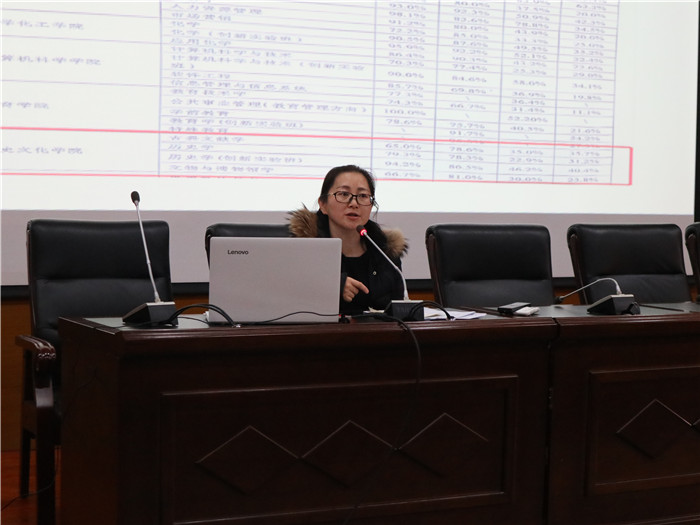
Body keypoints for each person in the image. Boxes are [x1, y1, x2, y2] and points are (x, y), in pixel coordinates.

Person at [288, 165, 408, 315]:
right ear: (323, 204)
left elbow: (397, 312)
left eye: (363, 196)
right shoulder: (304, 250)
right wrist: (332, 286)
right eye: (344, 194)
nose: (354, 203)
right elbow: (288, 300)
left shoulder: (385, 252)